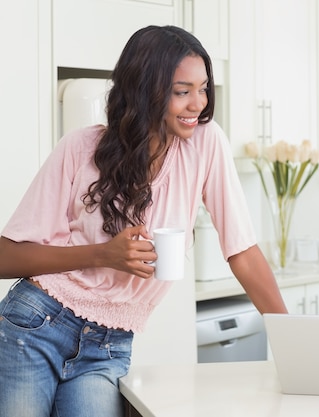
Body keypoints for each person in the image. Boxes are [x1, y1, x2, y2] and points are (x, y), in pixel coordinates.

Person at [0, 25, 287, 417]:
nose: (198, 104)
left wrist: (290, 339)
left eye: (203, 88)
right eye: (182, 91)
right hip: (36, 325)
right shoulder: (80, 147)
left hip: (109, 346)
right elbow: (6, 258)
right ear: (144, 90)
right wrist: (104, 254)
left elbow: (242, 250)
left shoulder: (205, 143)